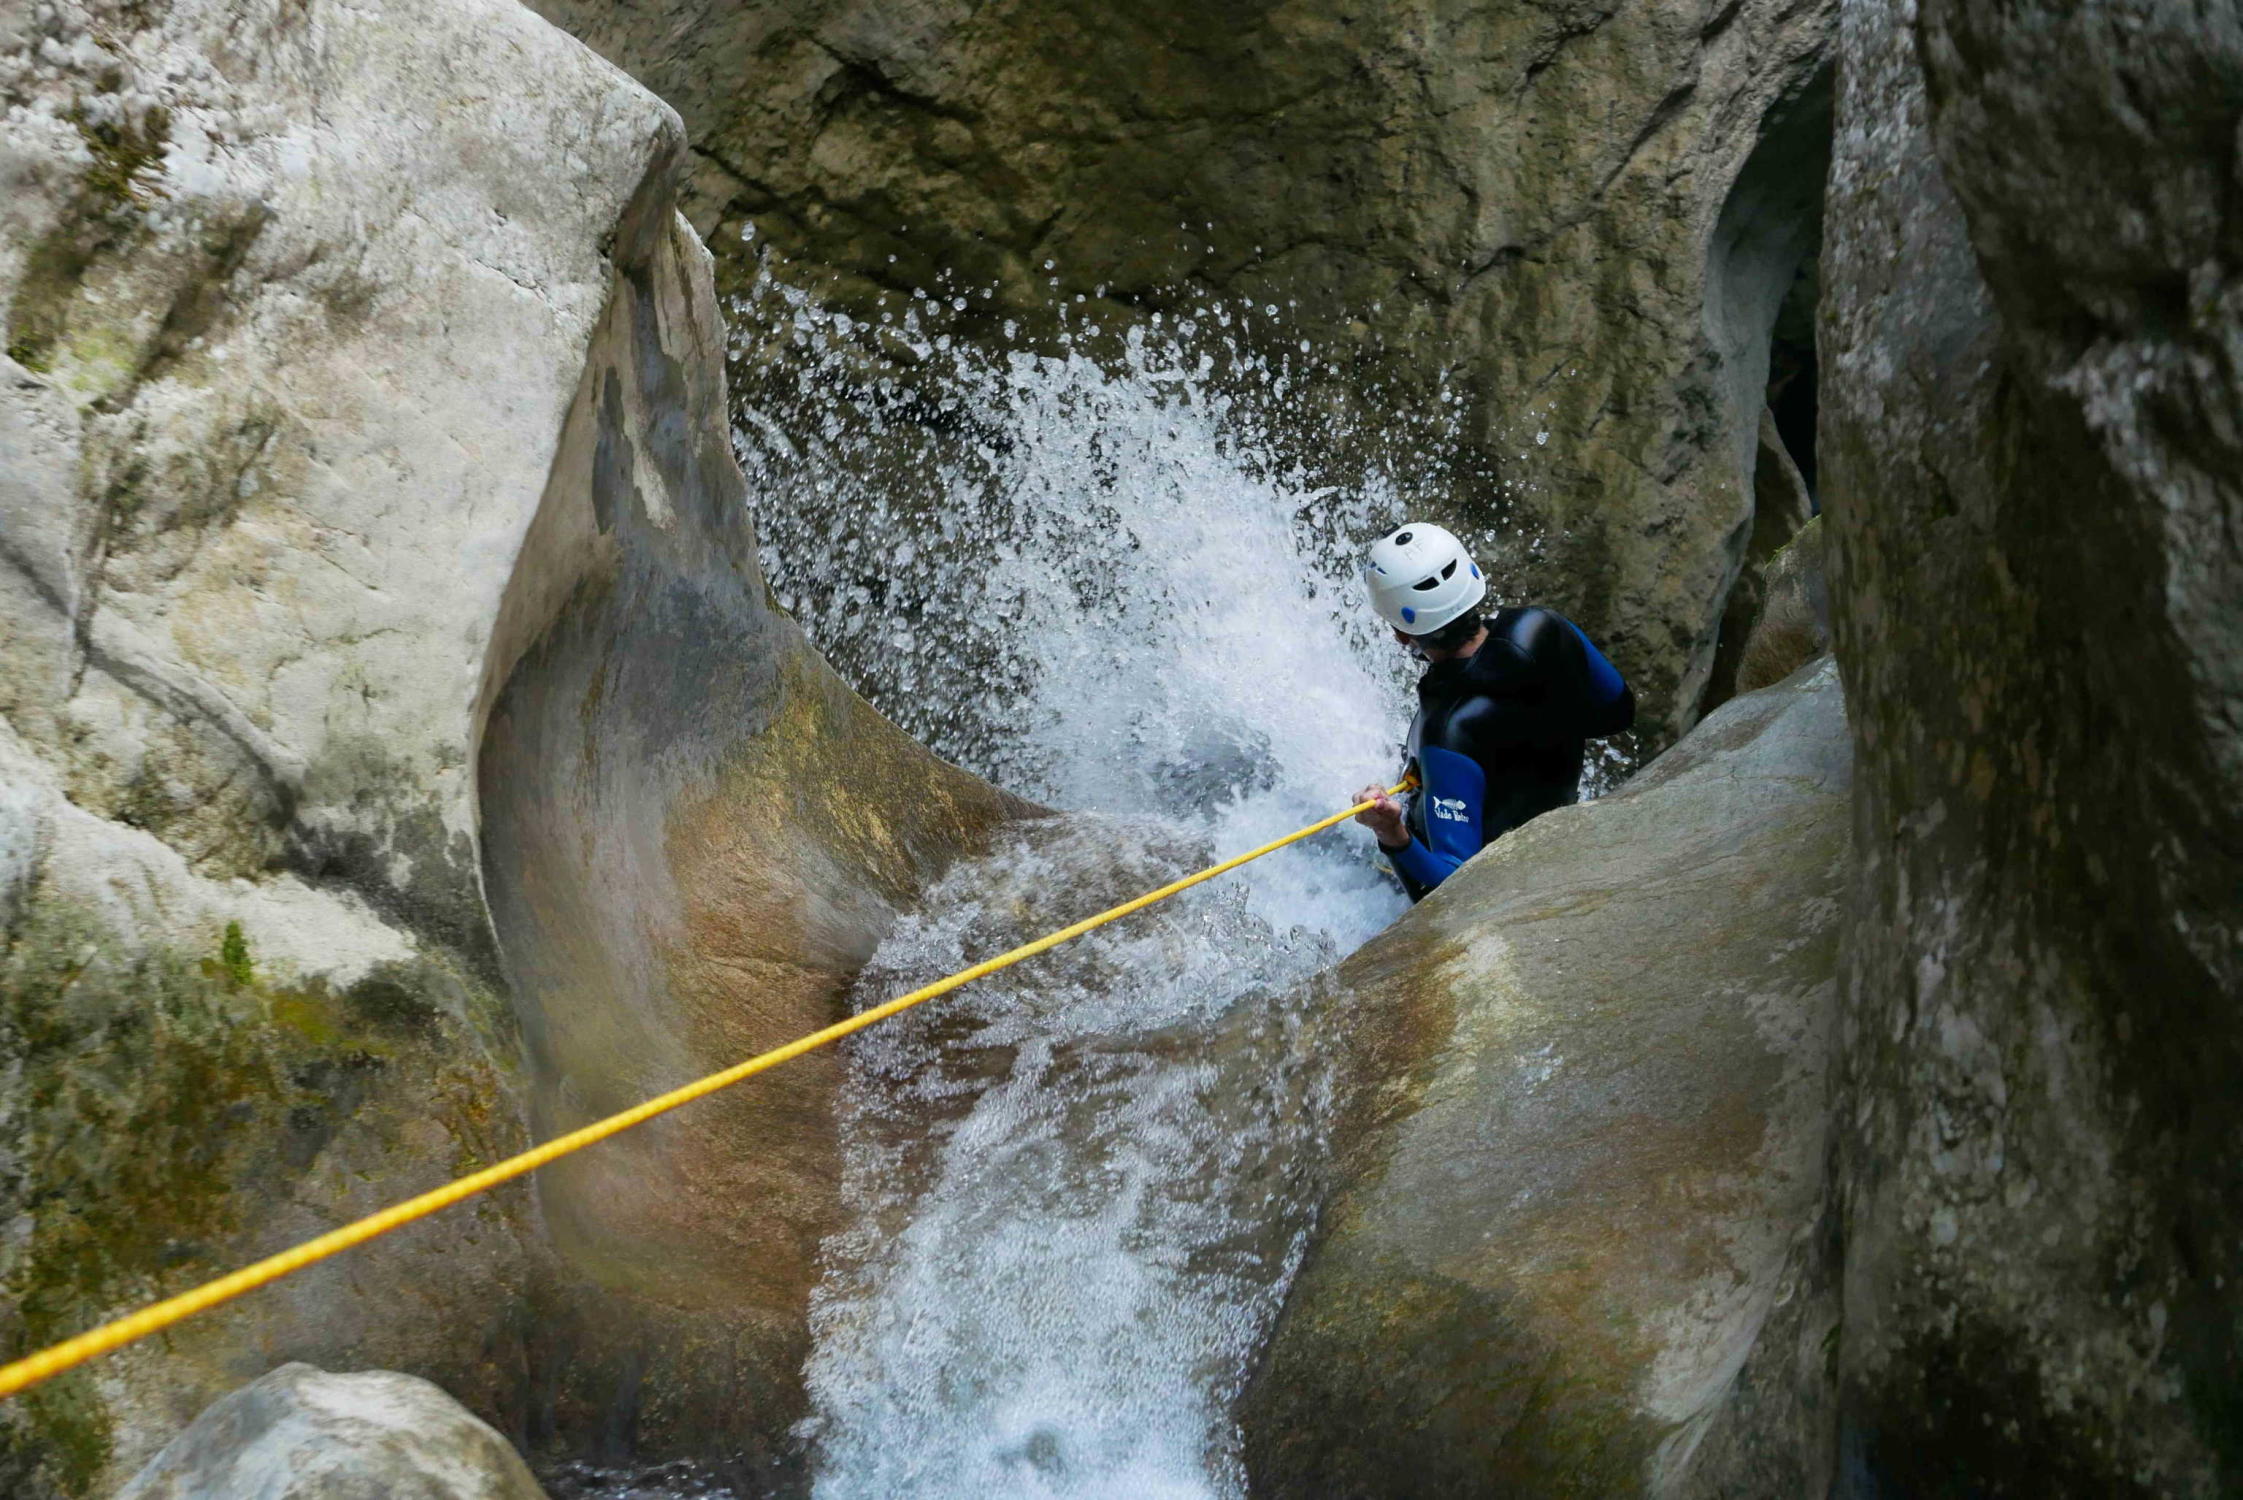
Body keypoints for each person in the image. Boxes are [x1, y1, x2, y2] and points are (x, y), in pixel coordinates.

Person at [1352, 522, 1635, 901]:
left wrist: (1391, 832)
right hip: (1553, 825)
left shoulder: (1449, 729)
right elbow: (1618, 713)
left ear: (1401, 634)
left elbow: (1450, 891)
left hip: (1499, 884)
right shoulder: (1547, 628)